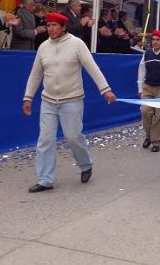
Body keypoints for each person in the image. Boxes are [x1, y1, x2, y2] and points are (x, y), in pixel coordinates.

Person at [22, 12, 117, 192]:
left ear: (63, 27)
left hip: (72, 100)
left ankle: (85, 164)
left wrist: (106, 90)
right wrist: (28, 97)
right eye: (48, 25)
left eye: (54, 25)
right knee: (45, 140)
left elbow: (92, 67)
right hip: (48, 100)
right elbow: (35, 74)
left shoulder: (76, 44)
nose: (50, 28)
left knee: (73, 136)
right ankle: (45, 180)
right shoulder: (43, 47)